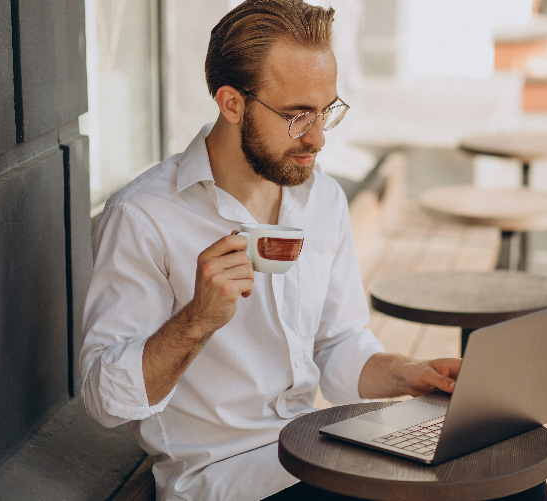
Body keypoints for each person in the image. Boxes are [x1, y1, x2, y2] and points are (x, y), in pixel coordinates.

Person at [80, 1, 461, 499]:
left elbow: (338, 342)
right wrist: (197, 319)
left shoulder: (321, 197)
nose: (319, 138)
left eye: (326, 112)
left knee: (504, 477)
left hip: (316, 446)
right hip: (223, 474)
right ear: (231, 103)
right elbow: (105, 400)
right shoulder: (144, 215)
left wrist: (405, 373)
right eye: (298, 115)